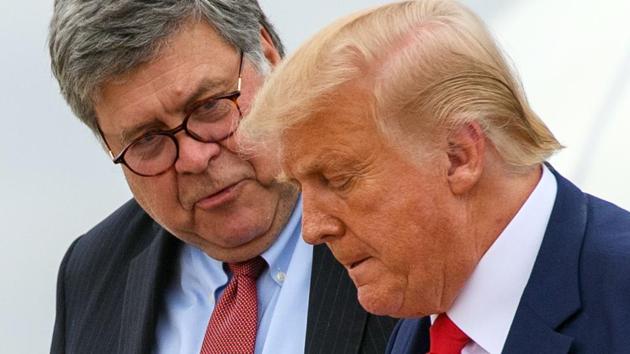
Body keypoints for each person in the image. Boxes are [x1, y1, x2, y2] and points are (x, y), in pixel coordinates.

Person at [237, 0, 630, 353]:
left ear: (459, 156)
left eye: (339, 179)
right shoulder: (423, 308)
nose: (312, 229)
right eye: (300, 186)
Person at [47, 1, 397, 353]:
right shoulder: (92, 274)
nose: (195, 159)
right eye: (148, 139)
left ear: (268, 54)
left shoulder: (401, 207)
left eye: (209, 106)